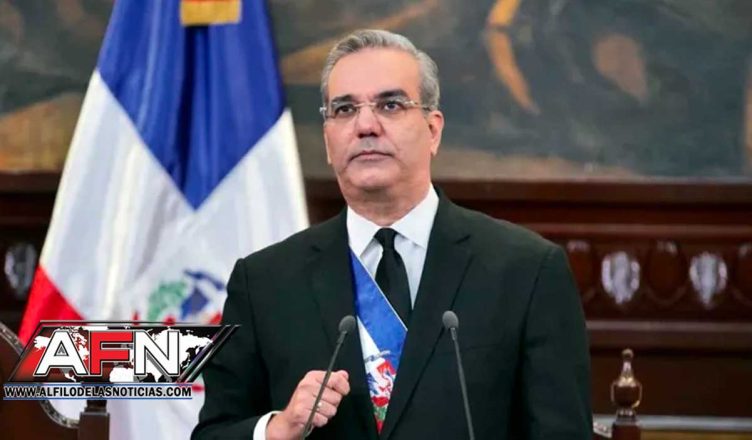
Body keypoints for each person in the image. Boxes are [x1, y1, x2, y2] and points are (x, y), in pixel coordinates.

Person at [192, 29, 591, 440]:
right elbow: (214, 433)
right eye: (344, 109)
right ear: (328, 141)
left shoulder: (526, 271)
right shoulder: (264, 282)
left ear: (433, 130)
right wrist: (278, 429)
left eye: (390, 105)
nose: (365, 125)